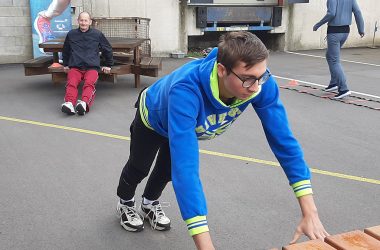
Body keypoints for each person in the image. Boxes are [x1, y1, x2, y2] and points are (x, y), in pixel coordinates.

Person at [116, 31, 329, 249]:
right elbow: (187, 170)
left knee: (166, 171)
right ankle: (125, 201)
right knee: (140, 166)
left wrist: (310, 212)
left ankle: (149, 203)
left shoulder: (259, 82)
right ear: (221, 71)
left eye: (261, 77)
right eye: (247, 79)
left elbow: (284, 141)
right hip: (153, 117)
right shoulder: (186, 90)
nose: (256, 87)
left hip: (183, 123)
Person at [61, 11, 113, 116]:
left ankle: (84, 103)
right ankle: (70, 103)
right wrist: (66, 64)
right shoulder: (71, 34)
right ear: (78, 21)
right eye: (81, 20)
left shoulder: (97, 34)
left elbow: (107, 49)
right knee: (71, 83)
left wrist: (108, 65)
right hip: (75, 67)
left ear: (90, 22)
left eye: (86, 20)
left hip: (92, 67)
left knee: (89, 84)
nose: (83, 23)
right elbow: (66, 50)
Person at [313, 0, 364, 99]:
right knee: (330, 56)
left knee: (334, 60)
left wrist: (318, 24)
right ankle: (334, 83)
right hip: (345, 31)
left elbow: (331, 13)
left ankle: (343, 88)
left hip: (334, 32)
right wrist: (361, 29)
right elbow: (357, 12)